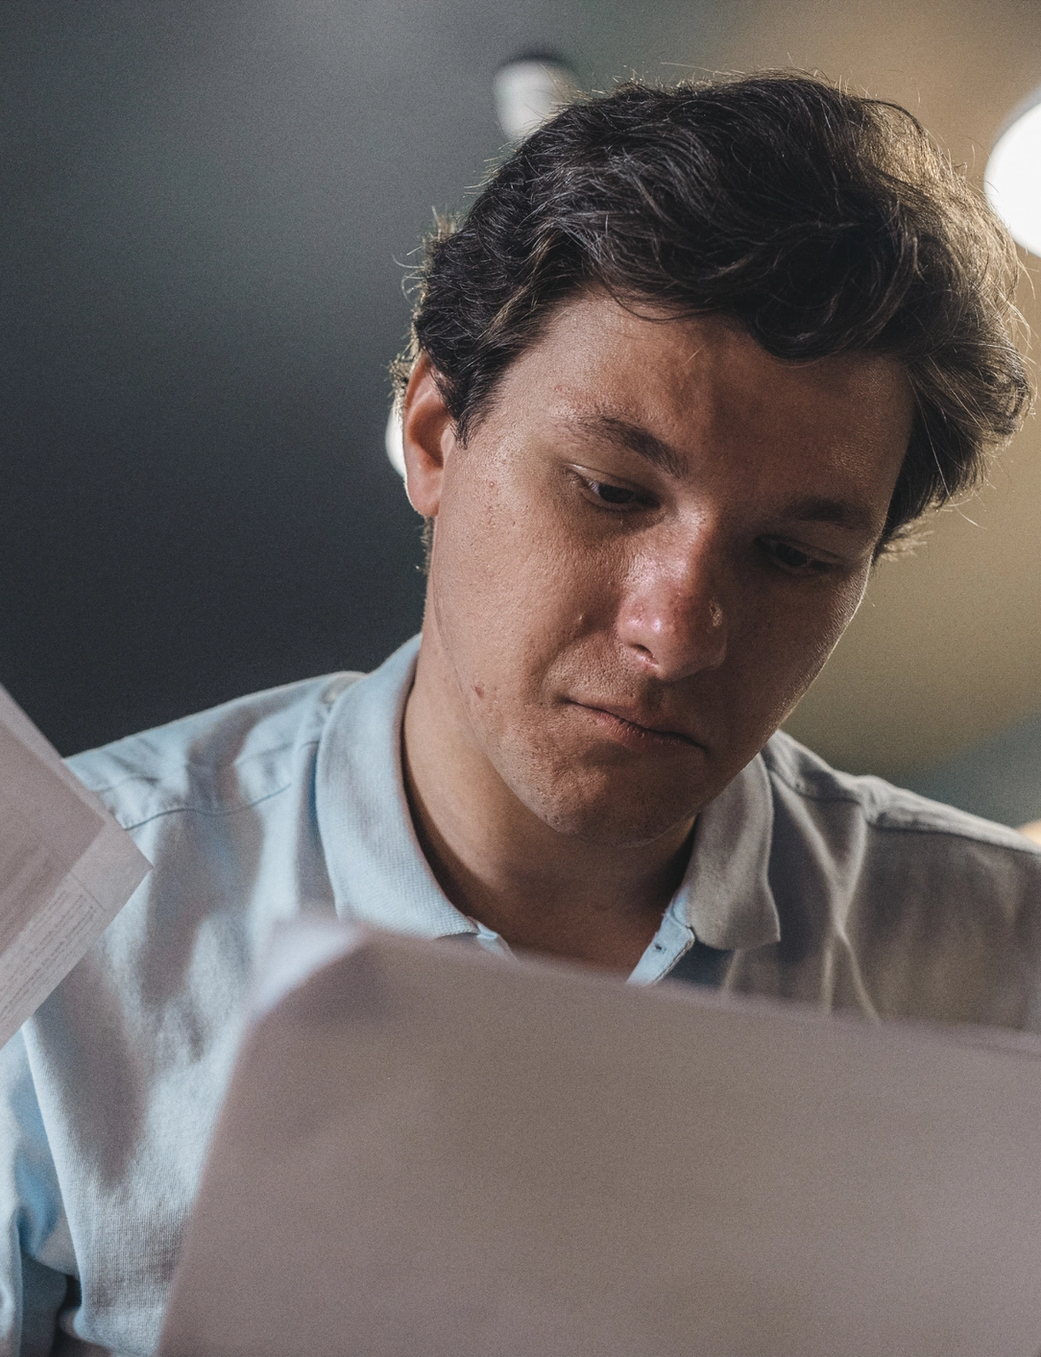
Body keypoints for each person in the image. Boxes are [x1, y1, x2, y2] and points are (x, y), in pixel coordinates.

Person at [2, 72, 1039, 1356]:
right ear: (436, 433)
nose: (675, 632)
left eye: (794, 557)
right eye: (611, 490)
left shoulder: (1009, 963)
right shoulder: (61, 929)